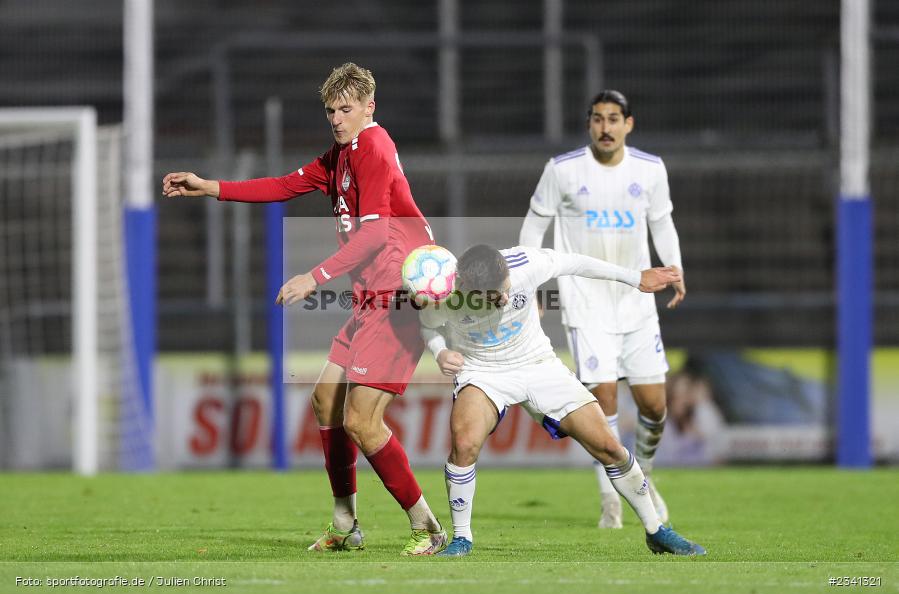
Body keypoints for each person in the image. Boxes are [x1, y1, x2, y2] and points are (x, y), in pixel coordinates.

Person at [162, 63, 448, 556]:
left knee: (361, 421)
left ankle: (427, 526)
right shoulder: (338, 156)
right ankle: (345, 523)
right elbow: (282, 185)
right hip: (369, 298)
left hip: (398, 297)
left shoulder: (374, 147)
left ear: (368, 108)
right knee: (325, 401)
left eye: (346, 109)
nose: (337, 119)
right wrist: (209, 186)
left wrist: (312, 278)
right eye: (331, 110)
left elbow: (377, 233)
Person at [419, 244, 705, 557]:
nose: (504, 297)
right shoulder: (442, 293)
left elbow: (576, 261)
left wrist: (634, 277)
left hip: (539, 365)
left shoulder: (525, 264)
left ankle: (657, 531)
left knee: (609, 447)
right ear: (466, 288)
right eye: (494, 295)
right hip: (483, 371)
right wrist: (440, 351)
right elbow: (428, 324)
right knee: (464, 443)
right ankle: (462, 539)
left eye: (505, 289)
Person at [519, 90, 684, 529]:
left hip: (636, 303)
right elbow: (535, 224)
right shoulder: (563, 170)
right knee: (602, 402)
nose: (605, 127)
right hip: (586, 304)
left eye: (613, 119)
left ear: (629, 124)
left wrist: (675, 267)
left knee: (654, 407)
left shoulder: (649, 170)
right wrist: (529, 281)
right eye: (597, 119)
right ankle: (611, 495)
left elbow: (662, 221)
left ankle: (642, 475)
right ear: (589, 124)